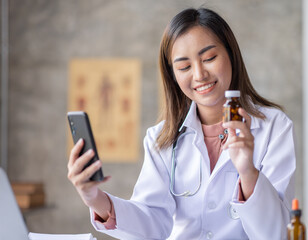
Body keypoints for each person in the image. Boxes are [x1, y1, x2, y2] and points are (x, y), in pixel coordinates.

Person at [67, 7, 296, 240]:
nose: (199, 75)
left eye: (209, 58)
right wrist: (94, 198)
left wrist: (248, 171)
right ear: (173, 75)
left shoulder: (274, 128)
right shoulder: (162, 137)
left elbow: (277, 233)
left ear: (231, 55)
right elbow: (151, 223)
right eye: (184, 67)